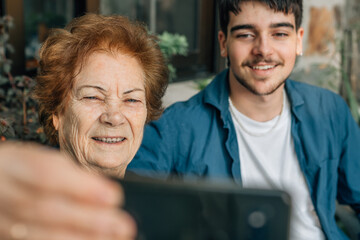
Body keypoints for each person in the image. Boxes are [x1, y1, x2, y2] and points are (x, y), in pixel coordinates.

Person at [126, 0, 360, 239]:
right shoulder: (173, 128)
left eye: (279, 33)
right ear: (223, 43)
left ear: (298, 40)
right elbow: (131, 218)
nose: (264, 50)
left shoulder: (330, 110)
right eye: (246, 34)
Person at [0, 13, 168, 239]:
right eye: (92, 97)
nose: (114, 117)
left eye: (131, 100)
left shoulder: (161, 216)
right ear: (56, 113)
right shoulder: (16, 216)